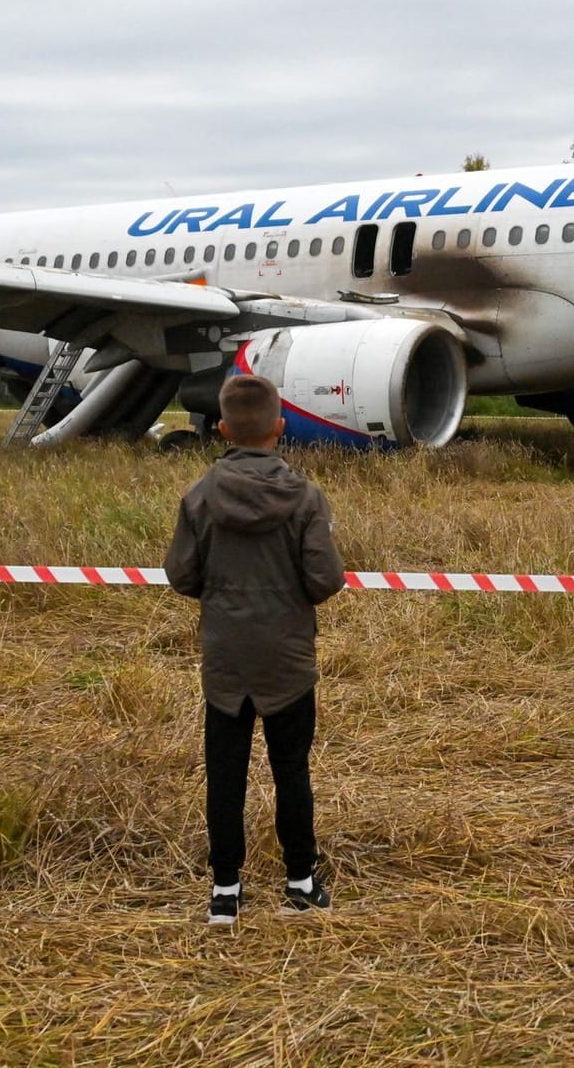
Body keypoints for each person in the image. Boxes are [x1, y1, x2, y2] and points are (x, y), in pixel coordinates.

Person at [165, 374, 346, 926]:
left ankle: (225, 891)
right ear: (280, 427)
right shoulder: (306, 497)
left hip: (225, 661)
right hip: (288, 659)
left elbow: (181, 574)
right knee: (292, 769)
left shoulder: (197, 495)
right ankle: (301, 882)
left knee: (225, 774)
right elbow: (325, 580)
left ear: (221, 429)